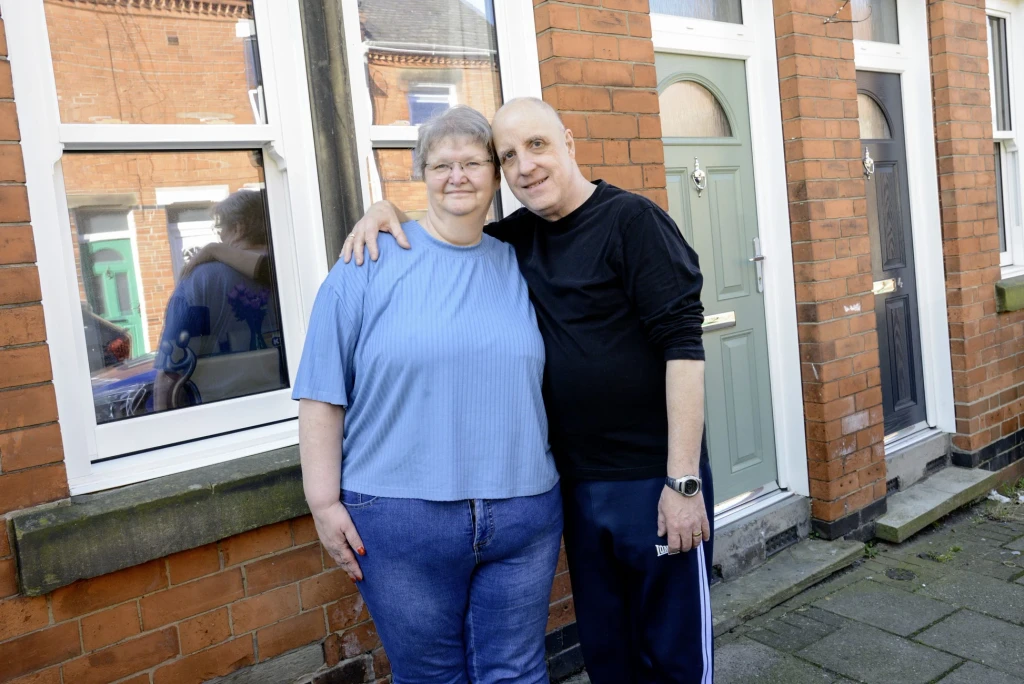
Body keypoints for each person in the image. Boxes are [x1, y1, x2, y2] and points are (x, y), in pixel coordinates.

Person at [343, 97, 714, 684]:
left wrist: (683, 482)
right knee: (608, 649)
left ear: (568, 141)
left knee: (672, 651)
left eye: (537, 146)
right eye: (508, 156)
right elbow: (449, 224)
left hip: (653, 478)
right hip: (574, 486)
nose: (525, 167)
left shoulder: (633, 222)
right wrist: (383, 210)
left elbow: (683, 351)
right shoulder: (516, 239)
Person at [292, 106, 562, 683]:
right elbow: (321, 389)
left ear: (497, 175)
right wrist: (322, 502)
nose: (457, 176)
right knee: (430, 677)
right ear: (421, 173)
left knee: (516, 673)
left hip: (524, 513)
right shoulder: (367, 262)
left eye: (472, 163)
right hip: (398, 520)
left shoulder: (523, 260)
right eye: (441, 164)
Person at [153, 188, 282, 410]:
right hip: (282, 408)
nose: (219, 235)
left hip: (218, 417)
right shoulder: (290, 269)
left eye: (220, 228)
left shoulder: (200, 279)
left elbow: (170, 371)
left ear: (238, 228)